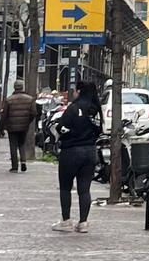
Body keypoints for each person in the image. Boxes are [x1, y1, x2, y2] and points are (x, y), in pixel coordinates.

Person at [53, 80, 102, 233]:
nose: (73, 93)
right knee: (84, 189)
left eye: (74, 90)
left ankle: (66, 221)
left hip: (71, 151)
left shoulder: (74, 108)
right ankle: (83, 222)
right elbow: (99, 129)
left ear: (79, 91)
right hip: (90, 151)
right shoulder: (95, 109)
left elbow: (62, 127)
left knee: (65, 187)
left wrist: (65, 133)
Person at [0, 79, 39, 173]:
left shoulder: (9, 99)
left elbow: (4, 115)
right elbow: (34, 113)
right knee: (22, 144)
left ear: (14, 87)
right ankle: (23, 161)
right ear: (22, 87)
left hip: (11, 126)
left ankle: (14, 167)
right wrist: (28, 121)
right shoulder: (30, 99)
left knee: (13, 145)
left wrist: (1, 127)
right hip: (24, 126)